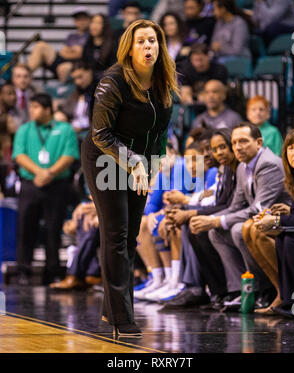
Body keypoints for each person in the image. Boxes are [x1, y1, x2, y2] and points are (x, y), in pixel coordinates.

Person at [81, 19, 179, 337]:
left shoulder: (164, 80)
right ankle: (124, 316)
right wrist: (134, 162)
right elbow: (100, 133)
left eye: (152, 41)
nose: (148, 46)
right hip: (104, 157)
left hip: (139, 163)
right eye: (141, 42)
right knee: (116, 234)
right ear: (129, 47)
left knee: (130, 235)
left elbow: (160, 131)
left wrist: (153, 165)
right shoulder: (113, 81)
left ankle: (112, 310)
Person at [191, 122, 289, 309]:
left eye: (243, 141)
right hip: (261, 220)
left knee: (237, 230)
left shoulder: (268, 164)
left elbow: (259, 208)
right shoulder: (244, 166)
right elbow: (235, 206)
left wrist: (215, 220)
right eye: (235, 142)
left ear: (259, 142)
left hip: (281, 220)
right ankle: (238, 291)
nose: (237, 147)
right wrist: (211, 222)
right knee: (215, 232)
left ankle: (263, 289)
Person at [162, 128, 238, 309]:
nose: (207, 154)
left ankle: (199, 287)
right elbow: (214, 200)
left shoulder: (227, 169)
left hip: (233, 216)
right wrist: (183, 209)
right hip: (226, 213)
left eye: (210, 150)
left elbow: (224, 204)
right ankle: (206, 289)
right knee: (188, 222)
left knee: (195, 225)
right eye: (208, 149)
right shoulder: (221, 170)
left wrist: (188, 210)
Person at [12, 93, 80, 285]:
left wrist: (49, 173)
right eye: (31, 106)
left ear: (48, 109)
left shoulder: (64, 129)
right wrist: (39, 173)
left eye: (35, 107)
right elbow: (19, 155)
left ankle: (53, 271)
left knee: (53, 229)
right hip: (30, 184)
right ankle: (23, 271)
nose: (31, 110)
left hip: (57, 185)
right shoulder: (24, 129)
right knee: (26, 228)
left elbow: (69, 155)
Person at [253, 128, 294, 319]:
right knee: (281, 236)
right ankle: (287, 298)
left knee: (289, 239)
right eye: (290, 148)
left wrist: (278, 220)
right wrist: (290, 211)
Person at [26, 7, 91, 82]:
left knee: (63, 67)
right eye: (78, 19)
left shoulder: (91, 35)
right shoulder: (71, 36)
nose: (80, 21)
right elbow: (63, 52)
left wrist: (71, 50)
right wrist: (74, 50)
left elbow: (81, 54)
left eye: (83, 19)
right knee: (40, 45)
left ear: (89, 20)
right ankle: (24, 74)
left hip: (77, 64)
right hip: (62, 60)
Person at [59, 61, 98, 136]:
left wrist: (83, 128)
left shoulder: (100, 91)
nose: (78, 82)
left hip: (90, 131)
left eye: (80, 77)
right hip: (73, 128)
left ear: (89, 72)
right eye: (75, 79)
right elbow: (66, 111)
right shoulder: (77, 93)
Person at [82, 14, 115, 80]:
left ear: (105, 26)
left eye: (99, 23)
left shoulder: (112, 44)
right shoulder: (88, 43)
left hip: (107, 78)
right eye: (93, 22)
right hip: (90, 78)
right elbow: (84, 63)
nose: (94, 26)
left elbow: (114, 67)